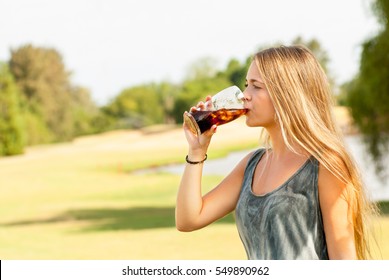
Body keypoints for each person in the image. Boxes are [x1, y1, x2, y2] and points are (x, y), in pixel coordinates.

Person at [175, 45, 377, 260]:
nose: (244, 96)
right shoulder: (251, 165)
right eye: (246, 85)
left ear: (287, 94)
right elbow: (188, 220)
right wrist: (196, 151)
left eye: (256, 86)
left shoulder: (326, 165)